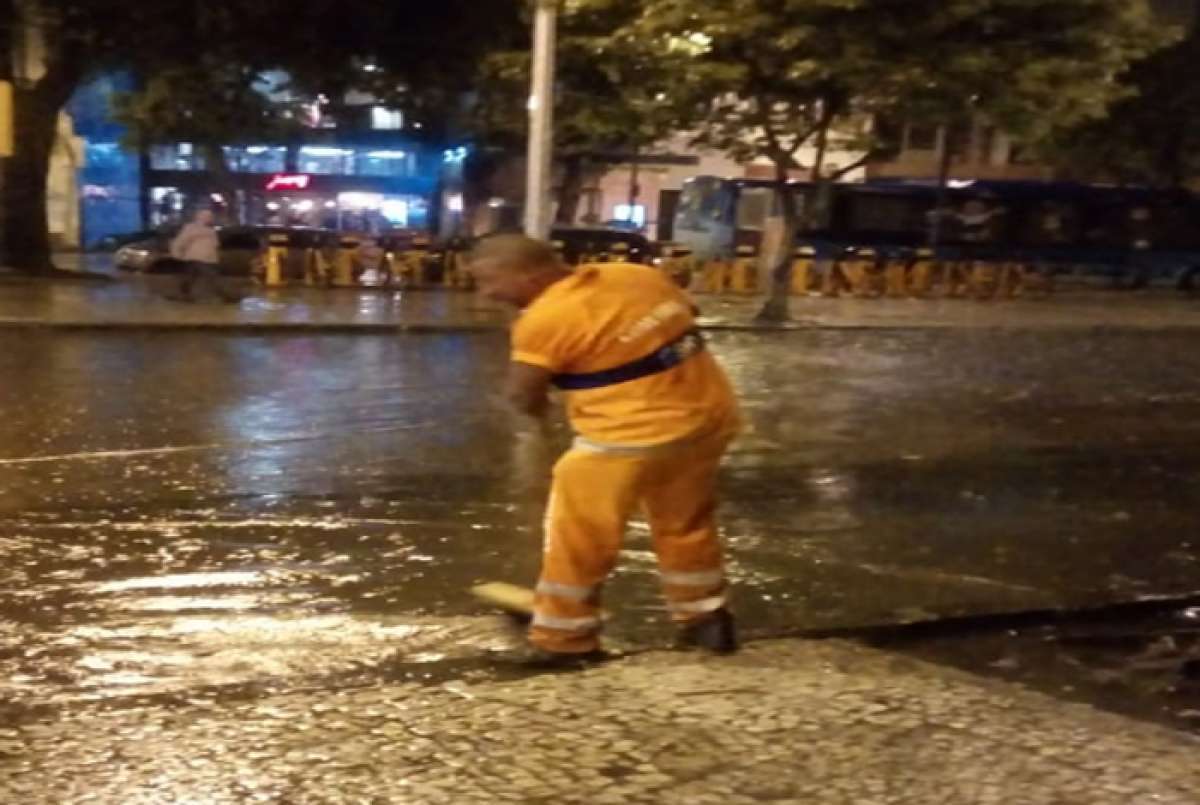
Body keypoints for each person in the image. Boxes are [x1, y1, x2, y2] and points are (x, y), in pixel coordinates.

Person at [468, 234, 741, 668]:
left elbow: (522, 395)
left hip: (627, 438)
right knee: (684, 523)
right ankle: (706, 619)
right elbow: (687, 317)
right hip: (707, 418)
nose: (487, 293)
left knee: (579, 537)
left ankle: (563, 640)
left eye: (490, 280)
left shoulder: (545, 319)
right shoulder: (635, 276)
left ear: (528, 273)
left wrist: (538, 411)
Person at [169, 208, 232, 302]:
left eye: (210, 216)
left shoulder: (210, 229)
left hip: (205, 258)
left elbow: (214, 244)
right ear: (201, 217)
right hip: (197, 257)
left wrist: (215, 256)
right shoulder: (191, 228)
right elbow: (182, 240)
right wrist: (177, 252)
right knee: (212, 277)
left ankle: (183, 295)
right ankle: (226, 296)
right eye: (208, 216)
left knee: (189, 277)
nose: (210, 218)